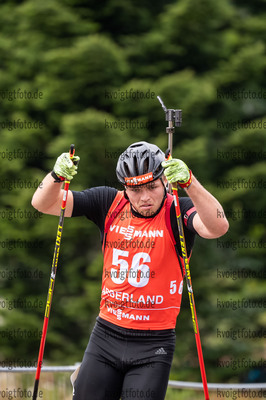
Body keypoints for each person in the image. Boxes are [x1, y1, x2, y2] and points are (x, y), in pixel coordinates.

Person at [31, 141, 229, 400]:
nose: (144, 197)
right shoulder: (108, 202)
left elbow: (217, 227)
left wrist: (190, 182)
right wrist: (56, 176)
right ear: (125, 187)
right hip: (106, 335)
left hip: (153, 345)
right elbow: (42, 203)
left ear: (165, 183)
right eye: (135, 189)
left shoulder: (176, 210)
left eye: (152, 187)